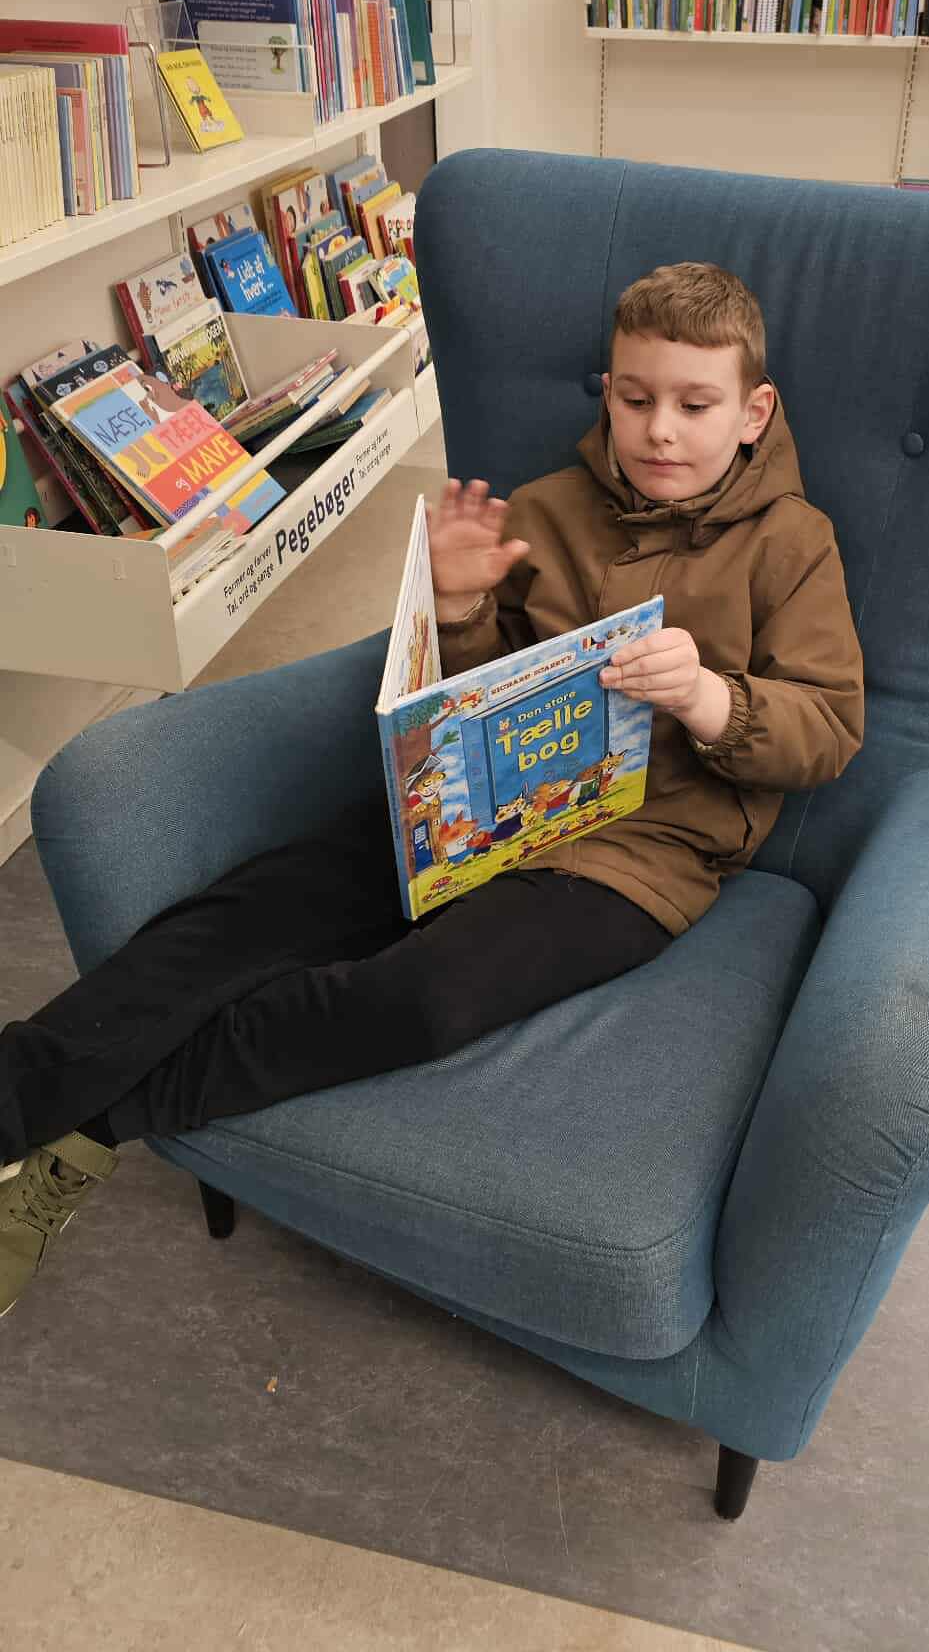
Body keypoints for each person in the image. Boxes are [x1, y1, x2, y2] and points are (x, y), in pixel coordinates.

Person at [0, 262, 865, 1319]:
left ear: (752, 412)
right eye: (636, 398)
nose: (659, 431)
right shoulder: (542, 510)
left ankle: (88, 1129)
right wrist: (455, 608)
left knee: (419, 996)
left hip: (635, 862)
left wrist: (707, 697)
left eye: (694, 405)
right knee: (244, 913)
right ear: (607, 391)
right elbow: (459, 698)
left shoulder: (793, 544)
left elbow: (829, 730)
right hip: (461, 805)